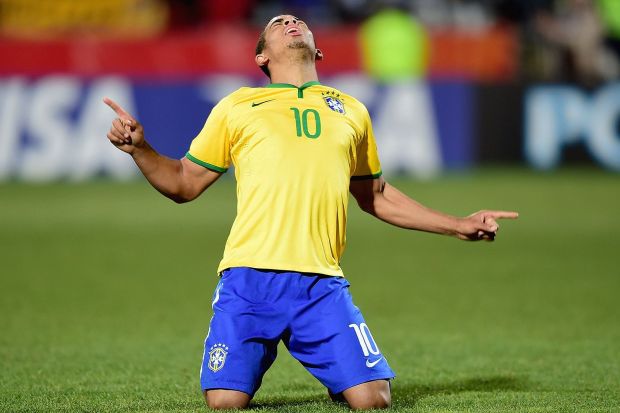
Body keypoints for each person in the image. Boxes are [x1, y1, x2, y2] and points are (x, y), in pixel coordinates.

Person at [103, 14, 518, 410]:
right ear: (261, 57)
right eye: (278, 24)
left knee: (373, 398)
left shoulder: (351, 111)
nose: (291, 23)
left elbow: (374, 194)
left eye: (297, 21)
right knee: (224, 402)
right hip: (248, 279)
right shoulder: (237, 106)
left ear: (318, 52)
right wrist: (140, 149)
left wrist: (457, 225)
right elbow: (183, 183)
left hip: (320, 284)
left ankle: (343, 368)